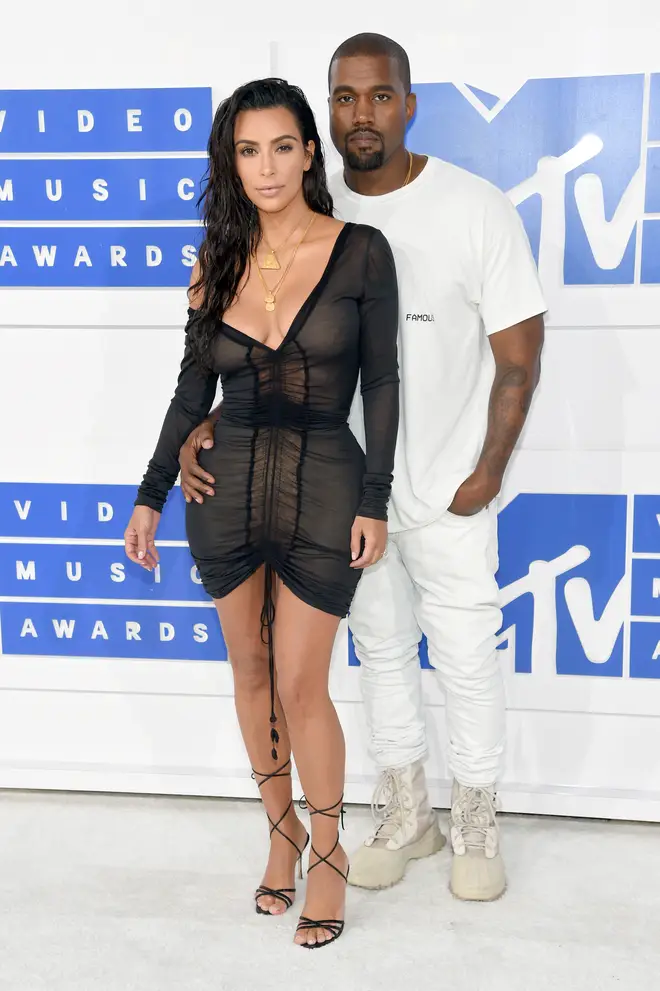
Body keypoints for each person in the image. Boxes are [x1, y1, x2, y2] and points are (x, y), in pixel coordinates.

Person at [178, 34, 546, 904]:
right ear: (325, 115)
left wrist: (488, 469)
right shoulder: (309, 200)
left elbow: (520, 355)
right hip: (343, 491)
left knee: (463, 653)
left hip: (451, 487)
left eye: (379, 97)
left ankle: (478, 820)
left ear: (409, 103)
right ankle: (406, 809)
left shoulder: (474, 205)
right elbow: (270, 348)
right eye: (344, 98)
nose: (360, 114)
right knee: (380, 652)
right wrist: (206, 426)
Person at [124, 77, 399, 948]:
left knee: (299, 682)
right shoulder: (217, 260)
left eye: (283, 146)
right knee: (249, 672)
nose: (267, 166)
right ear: (230, 161)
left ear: (310, 151)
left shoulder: (361, 250)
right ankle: (279, 840)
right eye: (248, 150)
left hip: (326, 482)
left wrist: (375, 498)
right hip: (227, 486)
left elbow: (386, 383)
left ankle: (329, 851)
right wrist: (151, 491)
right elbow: (190, 391)